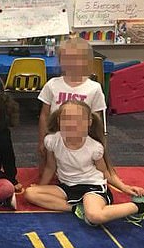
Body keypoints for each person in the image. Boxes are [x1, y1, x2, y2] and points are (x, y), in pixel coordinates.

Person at [25, 100, 144, 227]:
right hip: (67, 187)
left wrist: (124, 188)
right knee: (30, 193)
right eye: (66, 119)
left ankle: (140, 206)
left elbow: (105, 172)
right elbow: (50, 167)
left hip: (92, 187)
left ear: (89, 122)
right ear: (59, 121)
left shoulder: (94, 147)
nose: (71, 124)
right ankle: (76, 208)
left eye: (77, 120)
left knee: (95, 216)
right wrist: (41, 186)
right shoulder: (52, 140)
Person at [37, 37, 106, 174]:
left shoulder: (94, 88)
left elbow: (98, 120)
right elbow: (44, 115)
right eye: (67, 58)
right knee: (46, 171)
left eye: (77, 58)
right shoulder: (52, 85)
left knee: (84, 170)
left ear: (86, 61)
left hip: (81, 139)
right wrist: (41, 140)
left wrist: (101, 143)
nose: (72, 63)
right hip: (56, 137)